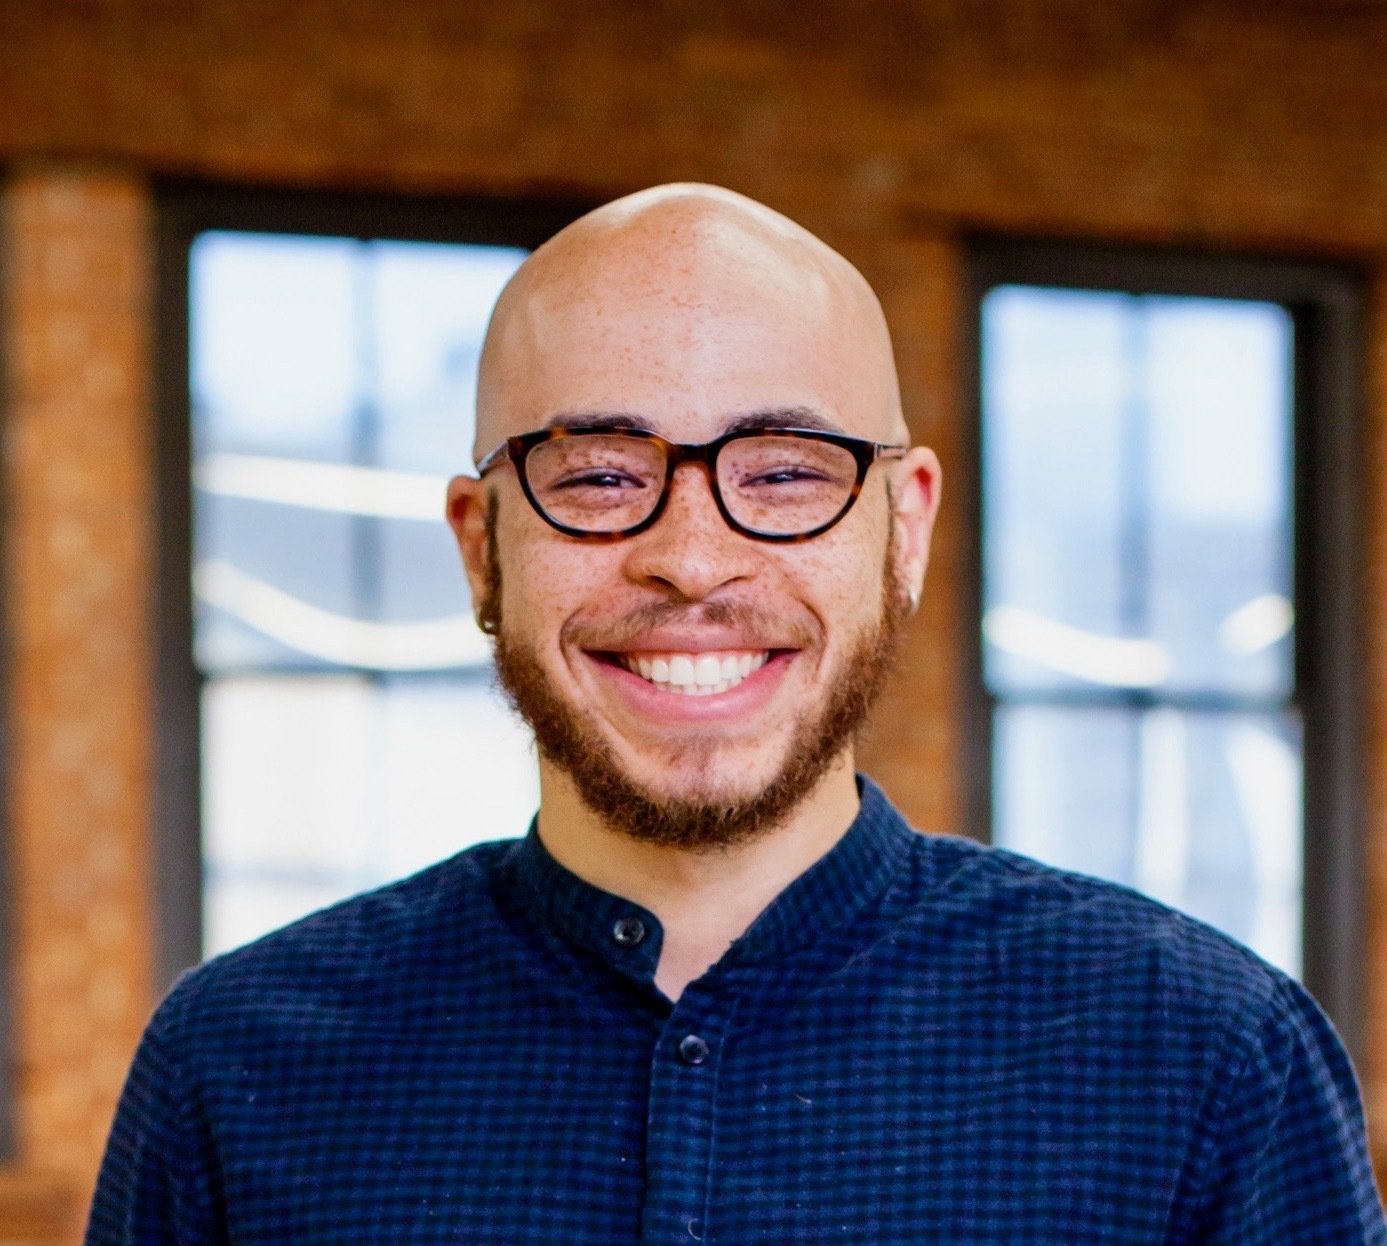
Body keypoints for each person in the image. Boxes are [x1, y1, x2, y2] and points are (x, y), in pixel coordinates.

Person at [88, 185, 1385, 1245]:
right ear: (482, 548)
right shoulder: (232, 1075)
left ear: (905, 531)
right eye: (600, 475)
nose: (694, 561)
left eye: (784, 473)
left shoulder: (1210, 1066)